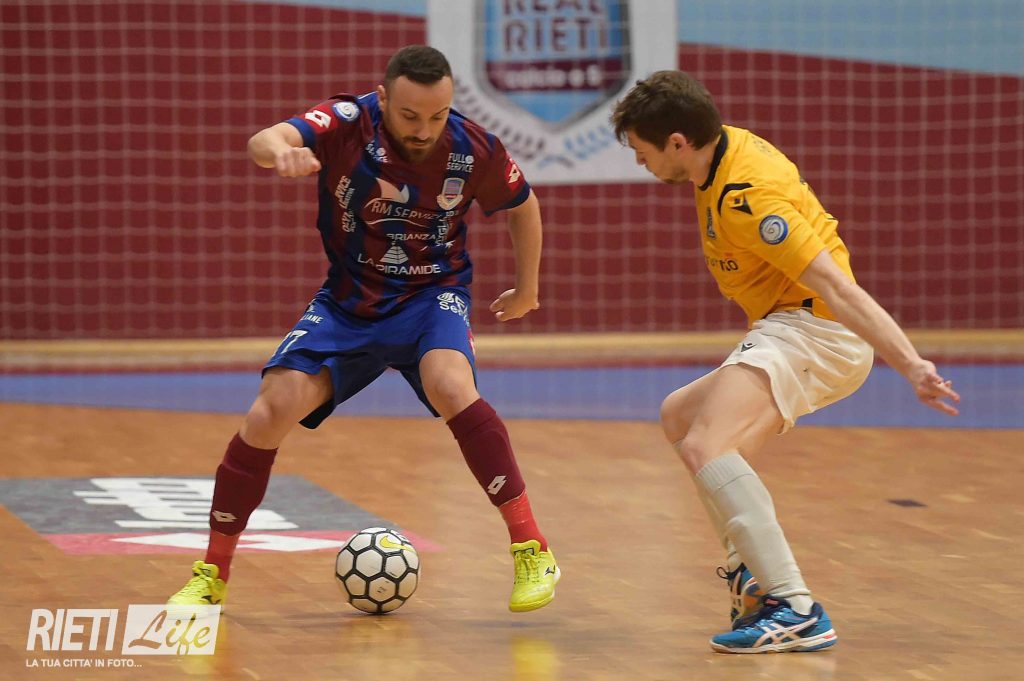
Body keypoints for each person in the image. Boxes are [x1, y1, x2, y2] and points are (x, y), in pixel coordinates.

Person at [167, 45, 559, 613]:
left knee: (451, 385)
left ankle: (531, 548)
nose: (423, 130)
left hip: (431, 296)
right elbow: (264, 140)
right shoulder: (347, 121)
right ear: (383, 98)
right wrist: (282, 152)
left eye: (437, 116)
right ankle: (212, 575)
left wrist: (527, 288)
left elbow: (523, 204)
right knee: (269, 411)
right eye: (409, 115)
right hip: (349, 303)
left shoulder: (473, 148)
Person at [610, 70, 960, 653]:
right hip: (789, 326)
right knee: (681, 417)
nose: (641, 163)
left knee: (707, 445)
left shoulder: (748, 198)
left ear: (678, 141)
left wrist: (911, 364)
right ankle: (748, 570)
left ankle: (795, 607)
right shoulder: (720, 153)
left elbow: (839, 288)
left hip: (818, 330)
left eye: (643, 152)